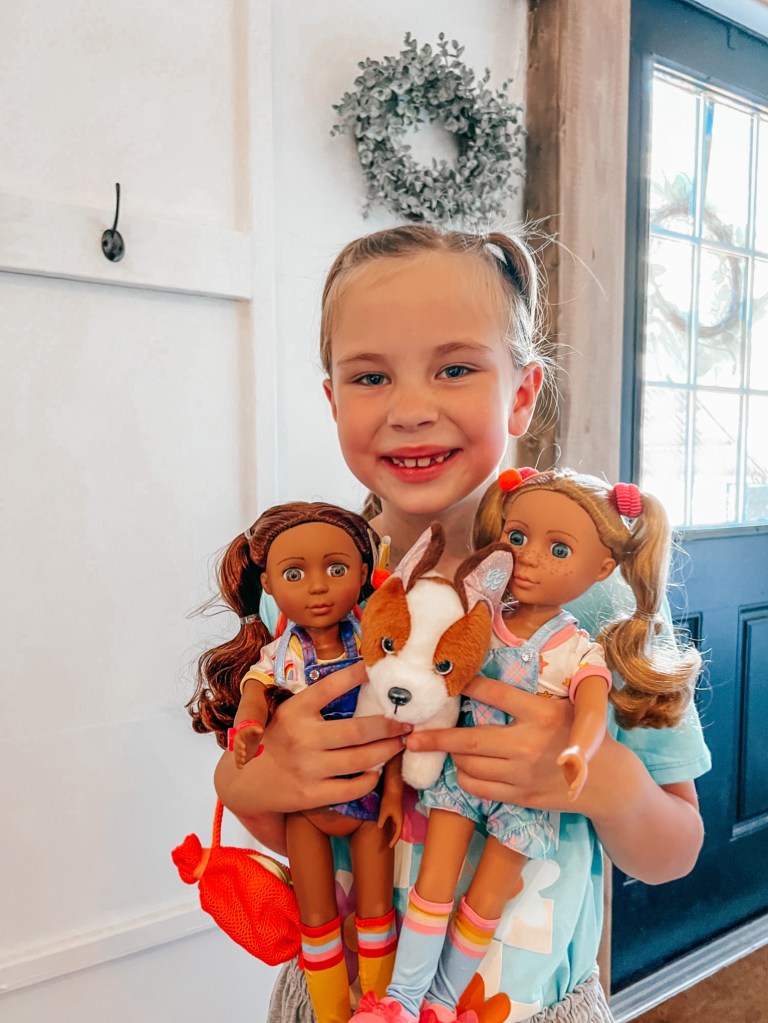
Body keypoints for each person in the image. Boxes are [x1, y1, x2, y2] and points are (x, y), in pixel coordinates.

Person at [210, 225, 711, 1023]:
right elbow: (286, 820)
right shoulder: (312, 589)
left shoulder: (600, 604)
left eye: (454, 368)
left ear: (522, 392)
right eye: (371, 375)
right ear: (333, 398)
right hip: (336, 1000)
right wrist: (247, 779)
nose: (411, 409)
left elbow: (672, 851)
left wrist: (601, 776)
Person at [355, 466, 701, 1021]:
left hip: (528, 809)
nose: (529, 558)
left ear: (604, 567)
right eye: (517, 538)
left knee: (486, 899)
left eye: (558, 549)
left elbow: (592, 713)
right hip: (454, 782)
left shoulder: (583, 648)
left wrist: (585, 758)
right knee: (433, 883)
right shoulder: (474, 617)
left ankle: (440, 1002)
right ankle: (403, 998)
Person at [188, 502, 403, 1023]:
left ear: (364, 571)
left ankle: (381, 1004)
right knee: (317, 917)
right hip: (308, 814)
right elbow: (254, 694)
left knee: (376, 910)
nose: (318, 586)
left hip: (370, 799)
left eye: (336, 569)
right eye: (293, 574)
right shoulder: (281, 655)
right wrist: (248, 730)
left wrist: (394, 790)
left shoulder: (375, 640)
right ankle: (330, 1010)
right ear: (266, 583)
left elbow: (399, 721)